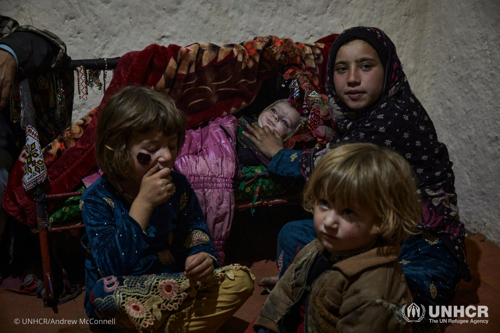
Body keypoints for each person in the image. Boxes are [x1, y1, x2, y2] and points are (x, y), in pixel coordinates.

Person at [244, 26, 471, 307]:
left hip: (418, 236)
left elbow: (330, 161)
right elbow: (314, 102)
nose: (352, 79)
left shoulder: (395, 115)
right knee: (293, 234)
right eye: (341, 69)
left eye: (365, 66)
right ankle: (318, 287)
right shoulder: (347, 110)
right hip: (364, 228)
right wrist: (294, 79)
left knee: (402, 293)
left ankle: (325, 291)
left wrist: (278, 154)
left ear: (388, 68)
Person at [80, 86, 254, 332]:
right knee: (103, 295)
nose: (165, 157)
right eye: (150, 150)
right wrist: (143, 203)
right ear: (117, 149)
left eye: (171, 146)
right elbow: (111, 267)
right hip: (128, 296)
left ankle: (164, 327)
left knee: (241, 281)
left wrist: (203, 258)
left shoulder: (178, 185)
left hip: (175, 284)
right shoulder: (96, 199)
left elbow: (195, 230)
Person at [254, 143, 418, 332]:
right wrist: (266, 325)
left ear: (382, 219)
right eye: (324, 203)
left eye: (348, 212)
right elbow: (286, 290)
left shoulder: (375, 291)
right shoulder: (319, 247)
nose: (329, 221)